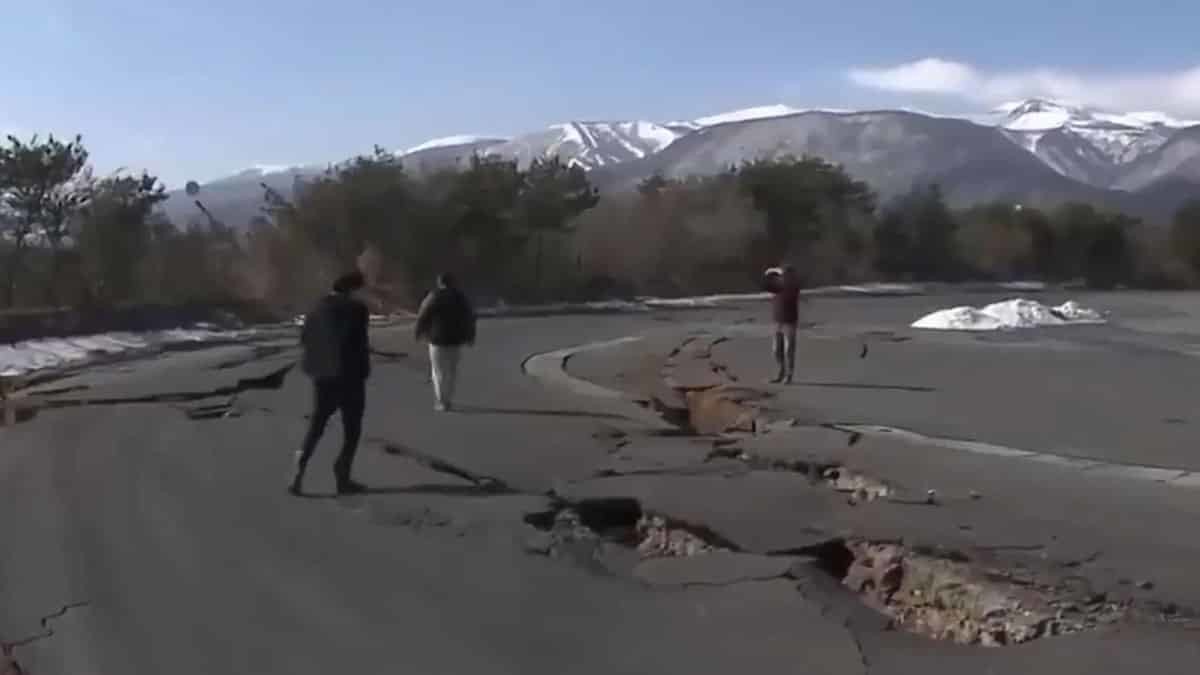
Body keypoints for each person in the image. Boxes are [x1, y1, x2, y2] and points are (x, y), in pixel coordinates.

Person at [290, 271, 372, 496]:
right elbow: (358, 343)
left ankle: (301, 464)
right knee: (352, 429)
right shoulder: (357, 309)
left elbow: (306, 340)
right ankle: (342, 474)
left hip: (323, 375)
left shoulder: (315, 309)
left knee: (317, 424)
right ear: (352, 289)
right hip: (351, 377)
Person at [414, 273, 476, 412]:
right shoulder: (461, 298)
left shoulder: (433, 296)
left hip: (437, 340)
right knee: (452, 371)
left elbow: (423, 314)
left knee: (439, 371)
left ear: (440, 283)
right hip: (456, 340)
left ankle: (442, 401)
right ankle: (448, 399)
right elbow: (470, 317)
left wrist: (418, 332)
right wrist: (471, 336)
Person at [762, 264, 802, 384]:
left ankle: (789, 376)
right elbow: (766, 279)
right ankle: (781, 373)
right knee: (776, 350)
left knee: (789, 349)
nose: (782, 277)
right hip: (777, 322)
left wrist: (781, 273)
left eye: (785, 275)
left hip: (789, 322)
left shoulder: (794, 287)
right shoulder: (776, 287)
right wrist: (773, 270)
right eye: (781, 275)